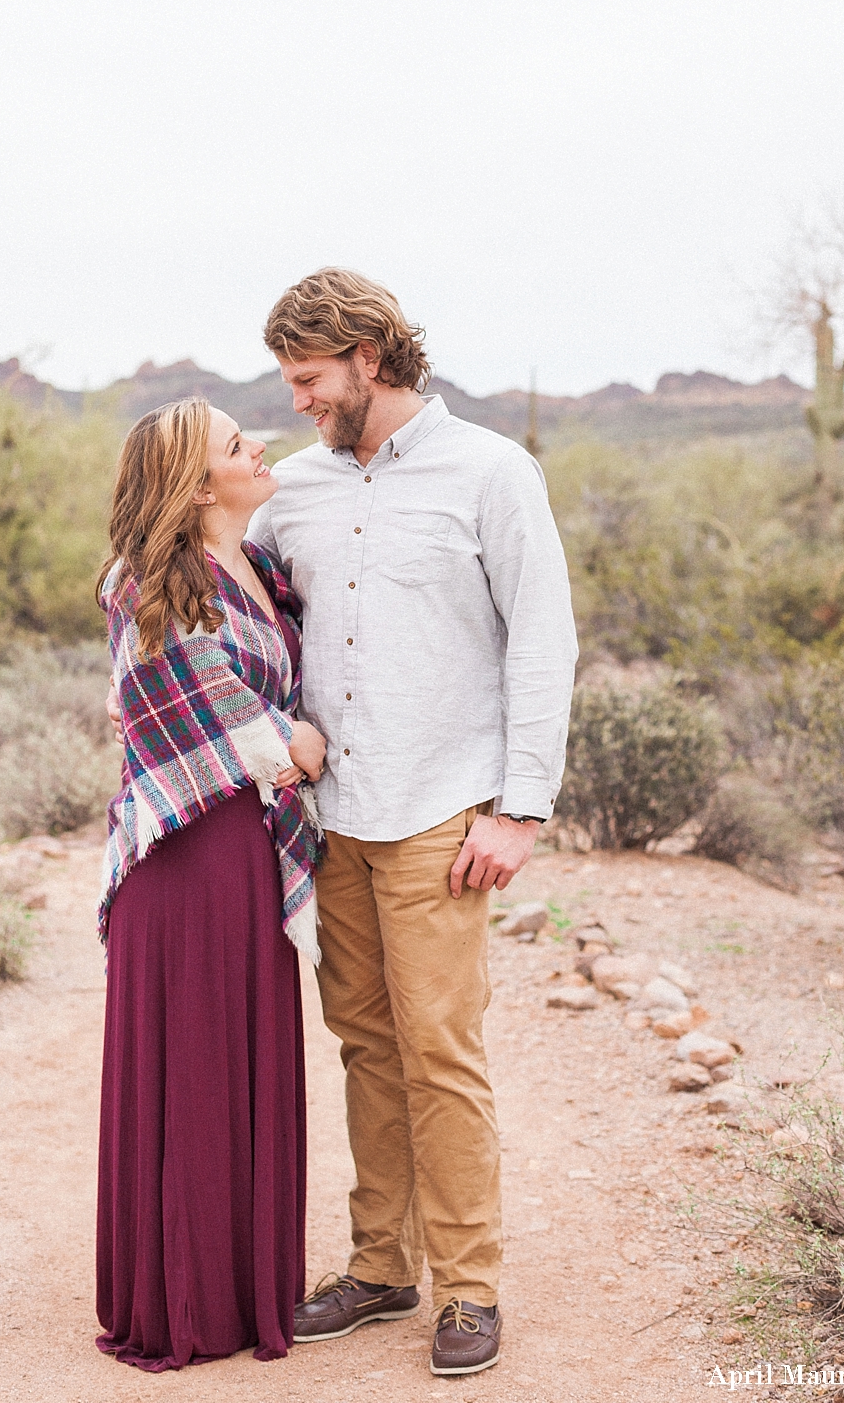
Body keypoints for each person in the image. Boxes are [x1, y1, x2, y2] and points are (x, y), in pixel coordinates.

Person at [249, 268, 578, 1376]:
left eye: (308, 378)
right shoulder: (288, 490)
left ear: (369, 361)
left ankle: (469, 1286)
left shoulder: (491, 470)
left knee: (440, 1049)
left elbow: (540, 638)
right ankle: (381, 1266)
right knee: (364, 1043)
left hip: (446, 809)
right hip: (333, 815)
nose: (294, 399)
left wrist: (520, 805)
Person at [94, 396, 327, 1372]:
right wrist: (298, 753)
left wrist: (289, 746)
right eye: (238, 444)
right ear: (197, 485)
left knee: (246, 1062)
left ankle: (241, 1291)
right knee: (193, 1069)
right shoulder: (149, 582)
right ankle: (180, 1304)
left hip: (248, 854)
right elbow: (222, 737)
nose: (260, 444)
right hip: (187, 860)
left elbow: (268, 715)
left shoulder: (260, 565)